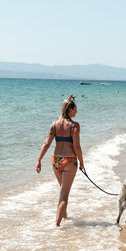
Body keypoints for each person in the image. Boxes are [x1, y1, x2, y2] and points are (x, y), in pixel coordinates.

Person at [36, 95, 84, 227]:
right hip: (69, 161)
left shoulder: (54, 125)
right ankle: (57, 226)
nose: (76, 112)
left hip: (55, 161)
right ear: (70, 110)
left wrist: (39, 160)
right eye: (75, 109)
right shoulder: (74, 126)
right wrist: (82, 162)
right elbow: (76, 146)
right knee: (64, 195)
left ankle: (65, 217)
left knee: (63, 191)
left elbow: (46, 143)